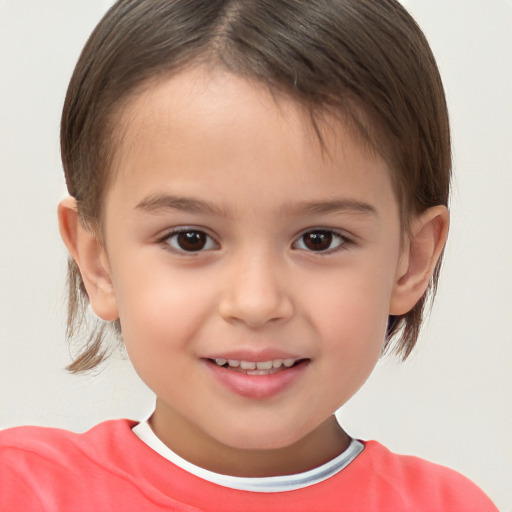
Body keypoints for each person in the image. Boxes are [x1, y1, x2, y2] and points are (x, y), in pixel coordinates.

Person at [0, 0, 499, 510]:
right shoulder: (22, 490)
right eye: (190, 239)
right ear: (98, 260)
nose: (256, 302)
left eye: (319, 239)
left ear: (410, 260)